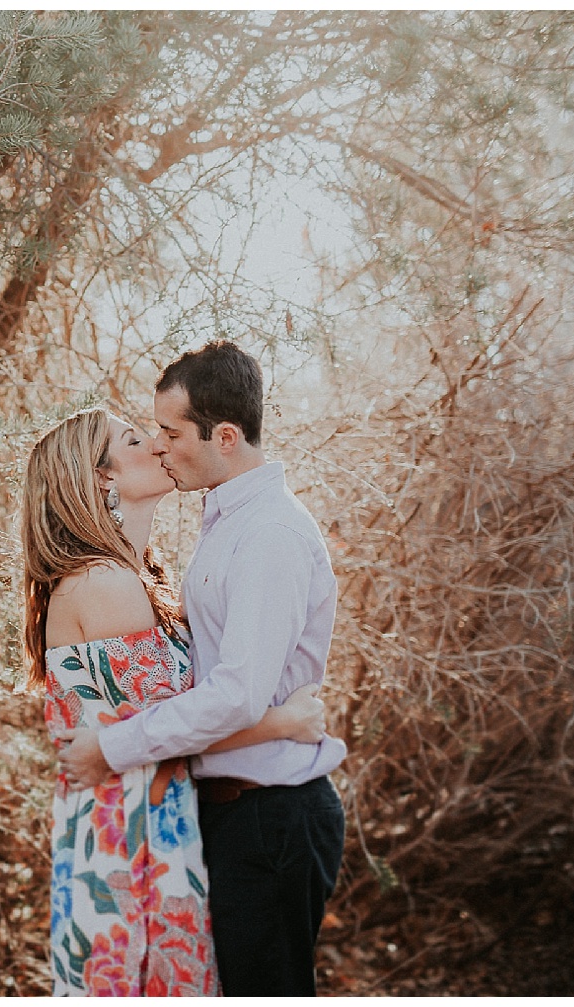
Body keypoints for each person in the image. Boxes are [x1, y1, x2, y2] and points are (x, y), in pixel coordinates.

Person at [55, 341, 347, 996]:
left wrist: (112, 745)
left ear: (222, 435)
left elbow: (234, 692)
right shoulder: (224, 524)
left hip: (269, 816)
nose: (160, 447)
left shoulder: (266, 534)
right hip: (223, 814)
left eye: (169, 431)